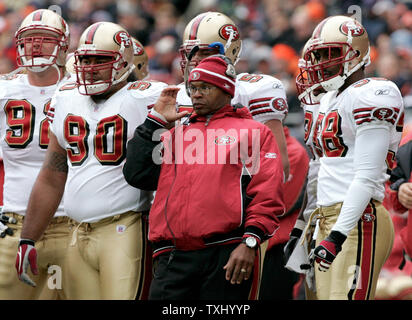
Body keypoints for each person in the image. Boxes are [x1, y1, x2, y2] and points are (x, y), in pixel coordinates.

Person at [15, 21, 167, 300]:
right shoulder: (65, 98)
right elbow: (52, 174)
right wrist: (28, 237)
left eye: (101, 59)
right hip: (77, 232)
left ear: (123, 63)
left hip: (125, 227)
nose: (90, 67)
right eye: (85, 59)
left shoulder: (147, 97)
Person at [123, 55, 285, 300]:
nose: (196, 94)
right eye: (193, 88)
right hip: (173, 256)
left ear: (226, 90)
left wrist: (250, 242)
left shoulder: (254, 132)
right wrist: (153, 123)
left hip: (226, 254)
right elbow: (137, 174)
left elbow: (267, 195)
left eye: (205, 88)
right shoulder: (176, 133)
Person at [296, 15, 404, 300]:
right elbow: (320, 169)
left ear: (355, 54)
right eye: (316, 55)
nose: (321, 62)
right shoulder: (328, 100)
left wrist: (337, 235)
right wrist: (302, 226)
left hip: (357, 218)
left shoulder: (373, 93)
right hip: (324, 218)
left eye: (328, 54)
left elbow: (367, 175)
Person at [0, 9, 71, 300]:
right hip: (15, 221)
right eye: (29, 39)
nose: (36, 46)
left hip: (74, 225)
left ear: (63, 45)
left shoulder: (79, 90)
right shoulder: (5, 89)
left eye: (45, 39)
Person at [177, 11, 290, 181]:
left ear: (232, 51)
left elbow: (278, 167)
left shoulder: (254, 90)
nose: (196, 60)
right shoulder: (175, 94)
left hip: (237, 197)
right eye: (191, 53)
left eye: (205, 53)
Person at [259, 125, 309, 300]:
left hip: (278, 246)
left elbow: (280, 205)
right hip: (251, 243)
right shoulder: (246, 146)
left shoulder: (293, 152)